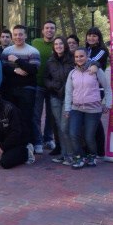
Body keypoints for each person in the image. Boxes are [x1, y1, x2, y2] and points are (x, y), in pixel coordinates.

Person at [64, 48, 112, 169]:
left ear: (87, 56)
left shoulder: (96, 71)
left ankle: (92, 155)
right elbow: (68, 92)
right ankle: (79, 157)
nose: (79, 59)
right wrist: (67, 108)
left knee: (89, 136)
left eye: (82, 56)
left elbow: (107, 88)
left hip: (93, 109)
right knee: (73, 133)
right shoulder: (72, 73)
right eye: (76, 57)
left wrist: (107, 103)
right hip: (76, 108)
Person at [1, 25, 40, 153]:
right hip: (10, 90)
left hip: (27, 89)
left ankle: (28, 145)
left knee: (26, 118)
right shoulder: (6, 51)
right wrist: (15, 70)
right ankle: (13, 144)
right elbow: (3, 68)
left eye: (21, 34)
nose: (18, 37)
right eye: (16, 34)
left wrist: (17, 60)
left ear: (26, 35)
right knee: (11, 118)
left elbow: (33, 70)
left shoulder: (33, 51)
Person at [44, 36, 75, 164]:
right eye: (56, 44)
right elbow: (46, 79)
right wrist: (53, 85)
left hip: (69, 97)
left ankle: (71, 154)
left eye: (61, 43)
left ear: (65, 45)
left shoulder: (72, 59)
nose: (58, 46)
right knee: (59, 126)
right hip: (55, 96)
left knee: (65, 126)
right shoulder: (50, 61)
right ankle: (63, 154)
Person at [31, 20, 57, 152]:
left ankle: (48, 138)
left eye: (52, 28)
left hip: (53, 86)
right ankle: (37, 141)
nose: (49, 30)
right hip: (38, 84)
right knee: (36, 114)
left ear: (55, 30)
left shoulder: (58, 44)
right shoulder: (35, 42)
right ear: (42, 30)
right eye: (47, 28)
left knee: (51, 114)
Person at [85, 26, 110, 156]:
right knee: (90, 119)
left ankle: (100, 150)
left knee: (95, 119)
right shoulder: (87, 49)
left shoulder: (101, 50)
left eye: (94, 36)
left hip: (97, 88)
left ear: (99, 38)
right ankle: (92, 148)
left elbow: (89, 62)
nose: (91, 38)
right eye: (89, 35)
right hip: (85, 88)